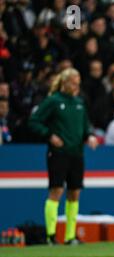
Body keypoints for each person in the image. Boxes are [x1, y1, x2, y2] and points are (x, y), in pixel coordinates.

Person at [28, 68, 98, 245]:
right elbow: (34, 121)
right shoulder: (53, 101)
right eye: (74, 83)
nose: (76, 86)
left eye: (78, 83)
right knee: (56, 190)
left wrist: (89, 136)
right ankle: (51, 235)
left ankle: (70, 236)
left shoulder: (79, 103)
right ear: (64, 83)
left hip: (77, 153)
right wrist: (49, 135)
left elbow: (85, 127)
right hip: (58, 153)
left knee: (74, 193)